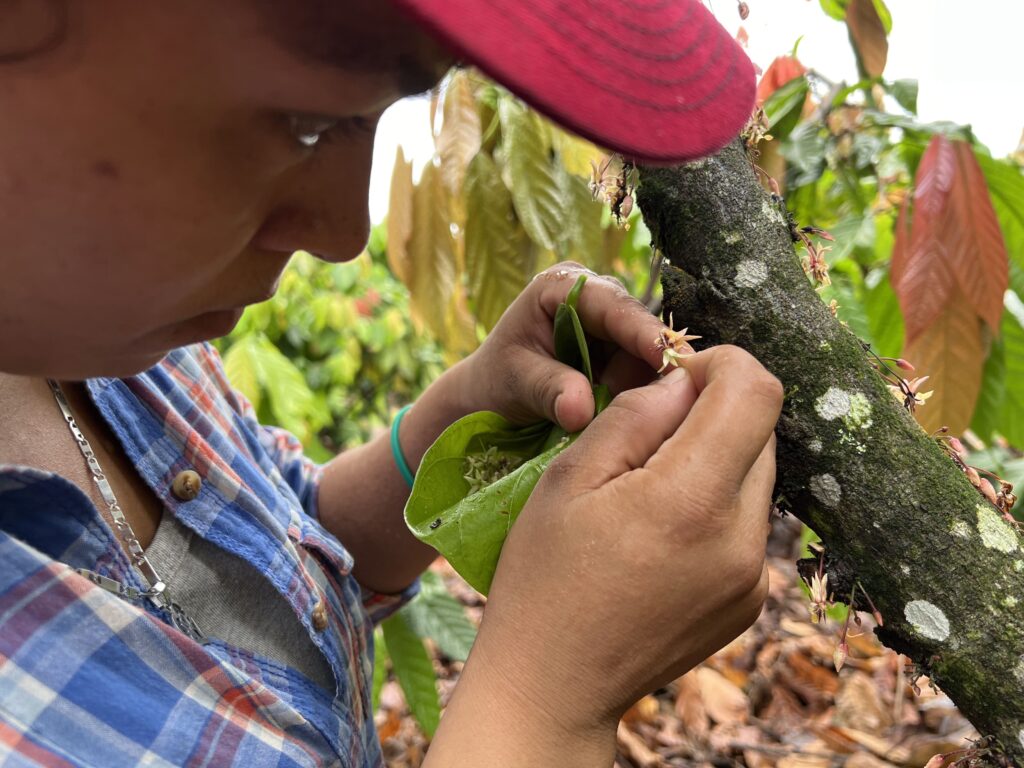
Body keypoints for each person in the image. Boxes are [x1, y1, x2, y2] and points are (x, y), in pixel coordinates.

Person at [0, 0, 783, 765]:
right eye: (304, 124)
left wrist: (466, 411)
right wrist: (547, 699)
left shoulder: (108, 344)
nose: (346, 233)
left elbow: (284, 550)